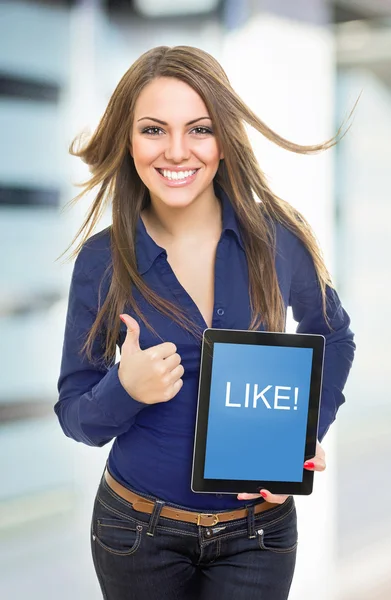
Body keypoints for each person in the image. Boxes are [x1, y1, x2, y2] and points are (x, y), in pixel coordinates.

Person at [55, 45, 355, 600]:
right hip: (135, 532)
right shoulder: (101, 261)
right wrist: (125, 388)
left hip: (256, 535)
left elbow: (333, 334)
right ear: (128, 138)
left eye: (199, 129)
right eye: (152, 130)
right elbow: (78, 417)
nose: (176, 151)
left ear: (224, 140)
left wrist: (301, 435)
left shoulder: (276, 238)